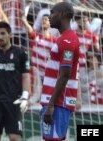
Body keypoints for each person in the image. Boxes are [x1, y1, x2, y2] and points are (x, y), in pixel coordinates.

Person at [39, 2, 80, 141]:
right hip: (55, 101)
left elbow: (65, 75)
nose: (49, 16)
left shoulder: (68, 40)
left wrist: (51, 105)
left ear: (62, 14)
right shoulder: (64, 38)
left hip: (58, 103)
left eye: (52, 12)